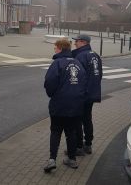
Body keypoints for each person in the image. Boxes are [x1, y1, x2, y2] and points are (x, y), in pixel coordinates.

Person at [43, 39, 87, 173]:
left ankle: (52, 159)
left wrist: (52, 94)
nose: (54, 50)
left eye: (55, 48)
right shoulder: (78, 63)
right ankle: (72, 159)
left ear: (60, 49)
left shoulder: (57, 63)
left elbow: (49, 82)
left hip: (59, 104)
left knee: (56, 131)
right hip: (76, 105)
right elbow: (84, 82)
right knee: (71, 132)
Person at [72, 34, 102, 155]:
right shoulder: (95, 55)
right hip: (92, 93)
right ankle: (88, 144)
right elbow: (99, 75)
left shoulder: (80, 56)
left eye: (77, 41)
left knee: (78, 120)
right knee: (87, 119)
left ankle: (78, 147)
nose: (75, 43)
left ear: (83, 42)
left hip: (82, 94)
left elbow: (77, 77)